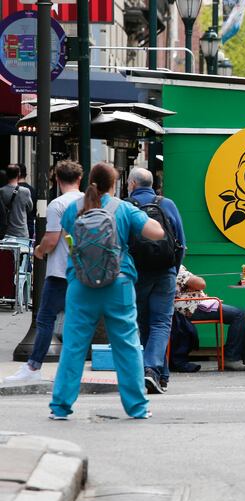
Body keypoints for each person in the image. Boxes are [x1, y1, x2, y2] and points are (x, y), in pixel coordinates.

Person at [49, 162, 165, 420]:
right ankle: (137, 407)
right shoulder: (123, 209)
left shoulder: (73, 209)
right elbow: (157, 233)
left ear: (90, 181)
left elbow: (69, 237)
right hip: (118, 283)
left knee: (74, 346)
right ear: (115, 184)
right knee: (127, 345)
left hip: (80, 285)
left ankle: (60, 407)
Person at [4, 161, 83, 382]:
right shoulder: (90, 201)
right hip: (83, 271)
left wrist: (39, 251)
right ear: (79, 179)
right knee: (77, 320)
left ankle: (33, 367)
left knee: (46, 318)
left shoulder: (57, 205)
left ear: (57, 180)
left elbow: (51, 239)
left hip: (60, 271)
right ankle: (71, 368)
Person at [127, 168, 186, 394]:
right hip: (165, 271)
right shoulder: (166, 204)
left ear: (132, 183)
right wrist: (172, 268)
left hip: (137, 273)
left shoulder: (127, 206)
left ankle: (149, 369)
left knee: (142, 322)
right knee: (161, 323)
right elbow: (181, 241)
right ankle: (157, 373)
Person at [174, 265, 245, 371]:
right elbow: (201, 284)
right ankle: (231, 357)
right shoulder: (176, 267)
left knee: (240, 316)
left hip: (198, 303)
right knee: (239, 314)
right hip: (190, 307)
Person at [1, 163, 34, 239]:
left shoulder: (2, 191)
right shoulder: (25, 191)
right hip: (21, 232)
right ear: (18, 174)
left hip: (6, 232)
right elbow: (30, 208)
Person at [17, 163, 37, 238]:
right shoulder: (32, 190)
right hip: (29, 226)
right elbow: (34, 211)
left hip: (14, 229)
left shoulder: (9, 190)